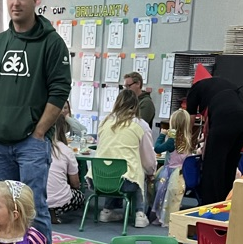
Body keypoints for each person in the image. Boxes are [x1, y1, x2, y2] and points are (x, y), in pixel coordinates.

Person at [0, 0, 71, 244]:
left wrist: (40, 132)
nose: (15, 2)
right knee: (5, 208)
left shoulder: (52, 43)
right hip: (1, 144)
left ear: (35, 0)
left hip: (31, 143)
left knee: (34, 207)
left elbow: (59, 91)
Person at [186, 75, 243, 205]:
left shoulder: (195, 89)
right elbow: (210, 124)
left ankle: (210, 205)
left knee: (213, 165)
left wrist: (188, 141)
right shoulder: (222, 86)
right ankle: (227, 201)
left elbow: (191, 120)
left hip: (226, 117)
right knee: (230, 162)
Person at [95, 88, 157, 228]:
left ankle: (106, 210)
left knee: (112, 165)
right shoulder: (140, 125)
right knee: (140, 168)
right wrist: (151, 172)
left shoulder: (104, 123)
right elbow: (148, 159)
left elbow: (102, 148)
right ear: (135, 105)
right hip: (127, 183)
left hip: (100, 179)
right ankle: (139, 214)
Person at [150, 108, 192, 226]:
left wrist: (162, 135)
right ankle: (170, 217)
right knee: (172, 197)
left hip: (169, 171)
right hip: (182, 173)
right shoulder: (188, 139)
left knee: (160, 191)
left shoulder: (171, 141)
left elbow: (157, 148)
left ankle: (159, 216)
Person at [47, 118, 85, 224]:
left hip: (36, 199)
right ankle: (55, 210)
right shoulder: (65, 150)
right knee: (80, 196)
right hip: (61, 200)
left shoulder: (36, 148)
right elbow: (76, 183)